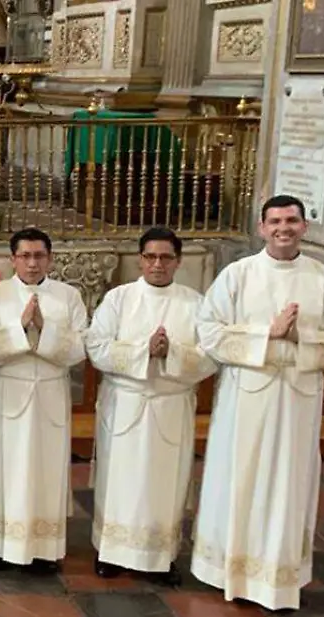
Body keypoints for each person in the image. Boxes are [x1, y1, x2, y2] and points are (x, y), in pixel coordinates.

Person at [193, 194, 324, 610]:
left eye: (291, 220)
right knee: (240, 478)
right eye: (275, 221)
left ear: (304, 227)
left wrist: (301, 337)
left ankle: (277, 577)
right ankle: (229, 572)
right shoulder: (238, 275)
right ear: (261, 227)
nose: (283, 228)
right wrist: (266, 334)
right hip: (247, 399)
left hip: (297, 401)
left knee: (289, 485)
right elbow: (210, 334)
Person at [85, 228, 216, 586]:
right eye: (150, 257)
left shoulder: (196, 304)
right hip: (126, 404)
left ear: (178, 261)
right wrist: (146, 350)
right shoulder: (119, 299)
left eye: (166, 257)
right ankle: (110, 552)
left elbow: (210, 356)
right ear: (140, 258)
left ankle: (160, 556)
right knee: (120, 479)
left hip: (170, 405)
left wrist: (171, 352)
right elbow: (95, 347)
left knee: (165, 481)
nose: (157, 264)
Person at [0, 228, 88, 574]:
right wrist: (21, 328)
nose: (32, 263)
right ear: (13, 259)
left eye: (39, 255)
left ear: (50, 258)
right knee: (4, 469)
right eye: (25, 256)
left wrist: (46, 330)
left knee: (45, 469)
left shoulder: (68, 296)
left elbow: (83, 347)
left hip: (50, 393)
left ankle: (43, 549)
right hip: (9, 393)